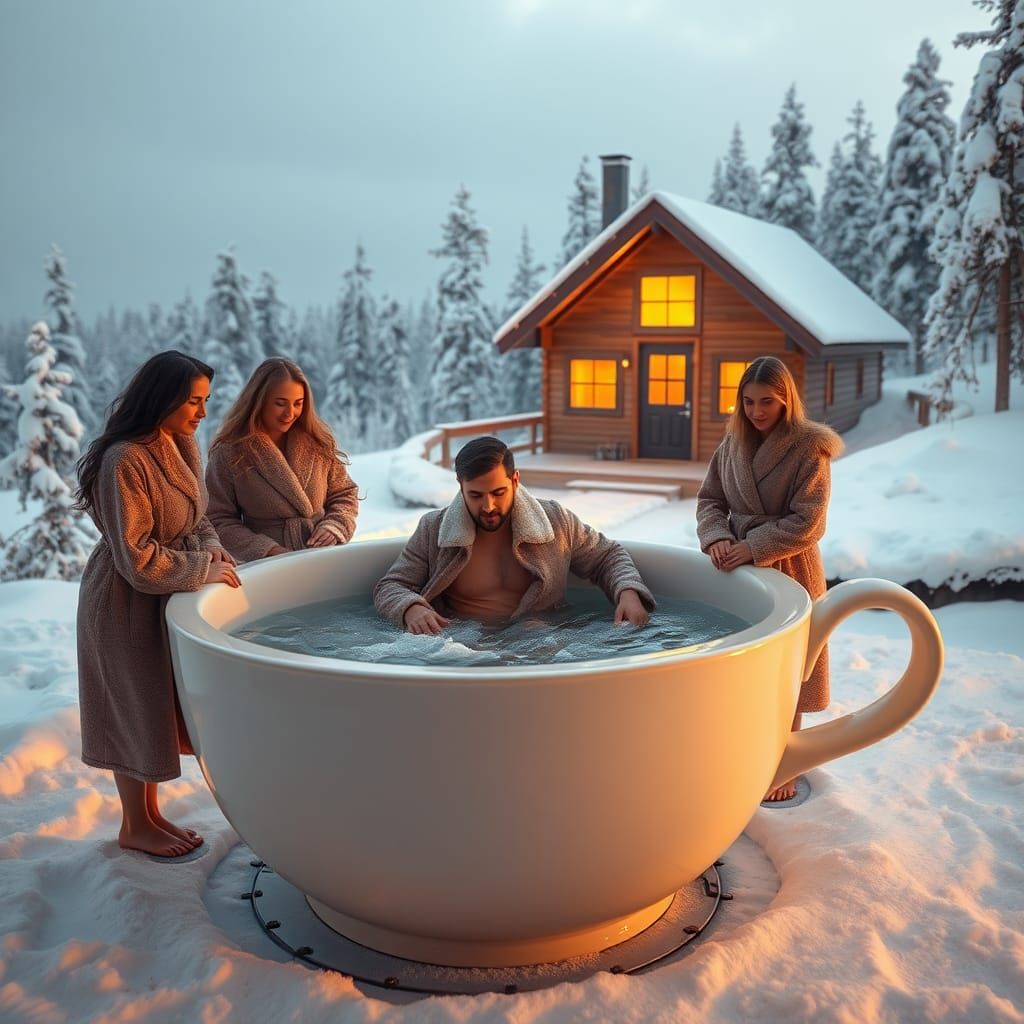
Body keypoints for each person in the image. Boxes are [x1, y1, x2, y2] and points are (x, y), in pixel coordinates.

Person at [75, 351, 240, 858]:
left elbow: (198, 515)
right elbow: (138, 558)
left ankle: (150, 815)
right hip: (123, 602)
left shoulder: (178, 442)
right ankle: (134, 824)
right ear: (162, 398)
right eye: (193, 401)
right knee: (132, 708)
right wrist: (200, 569)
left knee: (151, 708)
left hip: (159, 596)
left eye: (205, 400)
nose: (203, 412)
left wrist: (212, 549)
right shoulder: (123, 460)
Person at [696, 355, 843, 803]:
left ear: (786, 401)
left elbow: (810, 521)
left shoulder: (809, 448)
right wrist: (718, 538)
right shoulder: (733, 442)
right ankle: (747, 750)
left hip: (790, 566)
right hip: (737, 566)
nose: (757, 411)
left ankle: (784, 762)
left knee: (789, 670)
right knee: (746, 666)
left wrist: (755, 545)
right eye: (749, 402)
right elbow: (709, 500)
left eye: (767, 402)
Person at [374, 436, 654, 633]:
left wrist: (627, 593)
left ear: (515, 480)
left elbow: (607, 556)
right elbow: (391, 586)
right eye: (476, 495)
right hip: (462, 645)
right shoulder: (434, 529)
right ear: (460, 486)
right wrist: (411, 608)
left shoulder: (555, 521)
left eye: (498, 493)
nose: (488, 506)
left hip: (543, 640)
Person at [205, 358, 359, 563]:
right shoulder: (230, 452)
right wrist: (269, 550)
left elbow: (345, 493)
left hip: (324, 558)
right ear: (258, 400)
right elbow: (217, 519)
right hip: (268, 566)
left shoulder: (317, 443)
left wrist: (335, 525)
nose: (290, 413)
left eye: (298, 403)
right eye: (280, 403)